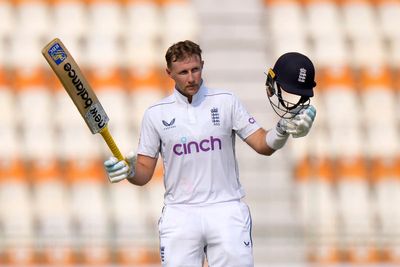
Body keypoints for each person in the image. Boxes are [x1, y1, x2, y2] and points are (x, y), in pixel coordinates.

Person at [104, 40, 317, 267]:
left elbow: (263, 145)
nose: (191, 77)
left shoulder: (226, 101)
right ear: (169, 73)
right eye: (183, 72)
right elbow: (144, 174)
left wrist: (282, 129)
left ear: (202, 65)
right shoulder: (155, 114)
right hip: (180, 213)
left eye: (195, 69)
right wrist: (129, 170)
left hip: (226, 210)